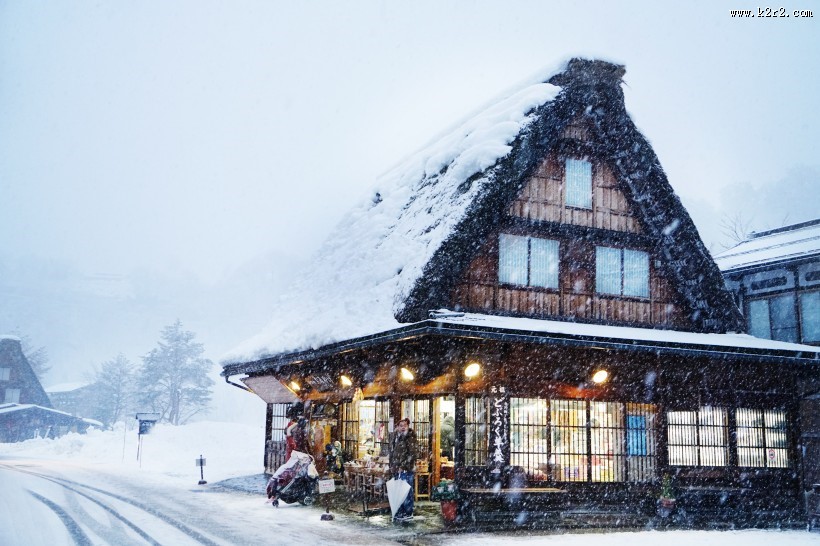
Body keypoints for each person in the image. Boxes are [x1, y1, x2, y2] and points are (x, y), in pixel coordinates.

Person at [388, 418, 417, 522]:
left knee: (406, 491)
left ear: (408, 426)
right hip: (396, 469)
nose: (403, 427)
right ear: (397, 427)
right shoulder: (396, 437)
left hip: (406, 470)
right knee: (398, 491)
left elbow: (412, 454)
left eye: (405, 425)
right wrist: (392, 465)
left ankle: (407, 512)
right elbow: (392, 452)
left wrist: (403, 466)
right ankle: (400, 511)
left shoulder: (410, 437)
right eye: (401, 425)